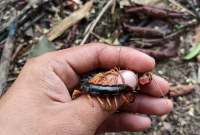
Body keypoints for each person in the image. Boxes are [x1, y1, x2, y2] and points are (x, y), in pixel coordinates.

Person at [0, 43, 173, 135]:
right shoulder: (117, 81)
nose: (146, 78)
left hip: (93, 87)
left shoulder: (125, 83)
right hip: (87, 89)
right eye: (146, 78)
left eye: (146, 79)